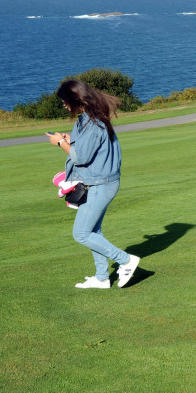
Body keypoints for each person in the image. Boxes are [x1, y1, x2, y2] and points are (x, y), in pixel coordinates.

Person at [47, 79, 140, 289]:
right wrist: (69, 138)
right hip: (99, 182)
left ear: (74, 99)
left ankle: (126, 260)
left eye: (64, 101)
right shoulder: (90, 117)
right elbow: (88, 146)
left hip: (101, 185)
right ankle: (101, 277)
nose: (63, 104)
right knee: (93, 232)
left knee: (81, 233)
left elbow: (80, 157)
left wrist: (61, 143)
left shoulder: (92, 122)